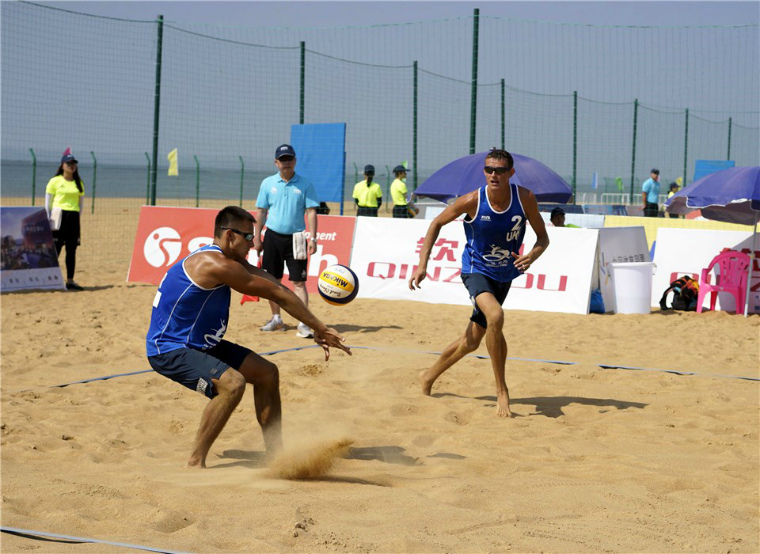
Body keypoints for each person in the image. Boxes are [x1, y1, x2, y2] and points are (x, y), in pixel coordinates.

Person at [146, 206, 351, 468]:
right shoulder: (215, 264)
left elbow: (274, 285)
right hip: (169, 349)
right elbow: (275, 294)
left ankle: (276, 456)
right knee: (232, 384)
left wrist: (313, 323)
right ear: (230, 235)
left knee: (267, 373)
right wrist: (320, 328)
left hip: (202, 344)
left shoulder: (227, 258)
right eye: (248, 237)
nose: (253, 243)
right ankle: (195, 461)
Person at [409, 149, 550, 417]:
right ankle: (502, 391)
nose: (493, 175)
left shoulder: (525, 198)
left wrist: (531, 256)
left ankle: (427, 377)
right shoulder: (473, 200)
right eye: (488, 170)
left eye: (499, 170)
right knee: (495, 316)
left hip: (505, 274)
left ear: (511, 173)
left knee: (472, 340)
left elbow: (543, 239)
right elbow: (436, 223)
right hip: (475, 269)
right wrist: (422, 265)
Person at [254, 144, 319, 338]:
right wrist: (257, 237)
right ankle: (276, 319)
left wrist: (313, 237)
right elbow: (261, 212)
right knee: (272, 282)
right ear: (276, 162)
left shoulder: (305, 184)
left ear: (295, 161)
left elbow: (311, 212)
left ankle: (304, 323)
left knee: (299, 282)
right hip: (272, 236)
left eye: (289, 159)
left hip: (298, 238)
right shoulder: (267, 183)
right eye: (283, 159)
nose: (286, 163)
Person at [45, 149, 85, 291]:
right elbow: (48, 203)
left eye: (73, 163)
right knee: (55, 249)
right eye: (68, 163)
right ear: (62, 165)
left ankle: (70, 281)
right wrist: (49, 218)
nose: (71, 166)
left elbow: (80, 204)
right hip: (58, 217)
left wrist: (76, 218)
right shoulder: (55, 181)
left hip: (73, 217)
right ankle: (49, 279)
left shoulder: (78, 182)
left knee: (71, 250)